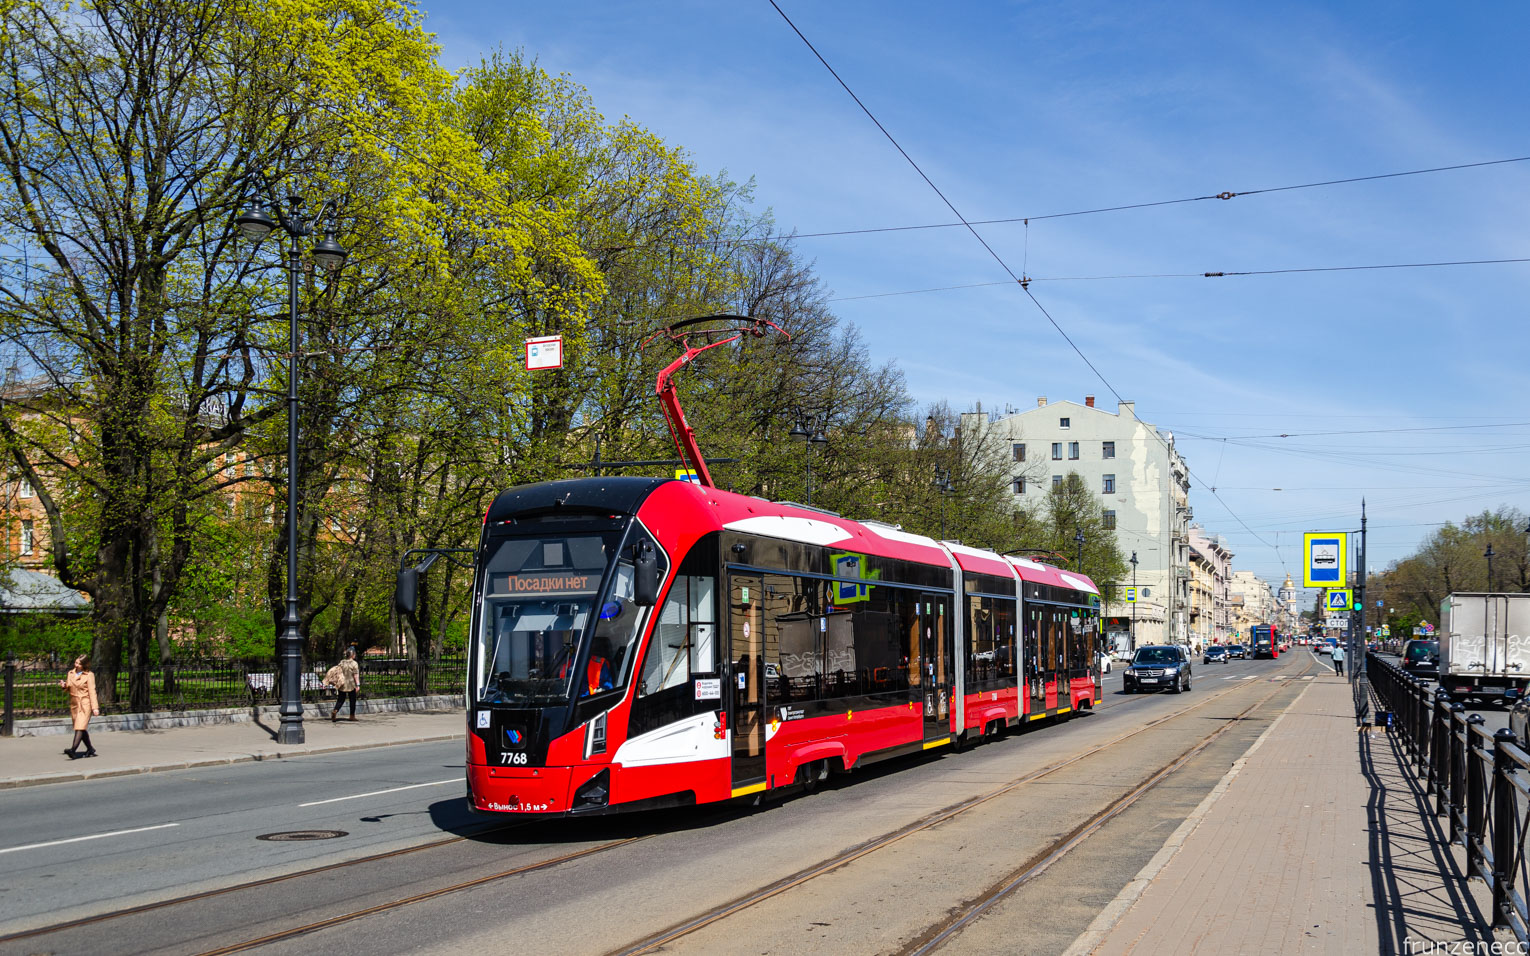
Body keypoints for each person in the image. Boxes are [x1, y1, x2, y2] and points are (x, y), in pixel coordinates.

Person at [59, 655, 99, 758]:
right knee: (80, 727)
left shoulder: (89, 675)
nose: (76, 665)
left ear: (84, 665)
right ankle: (90, 749)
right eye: (76, 662)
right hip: (74, 704)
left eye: (79, 664)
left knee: (80, 727)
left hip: (85, 703)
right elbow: (69, 687)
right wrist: (64, 686)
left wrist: (95, 707)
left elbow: (92, 691)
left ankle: (73, 750)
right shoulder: (71, 673)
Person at [327, 648, 361, 721]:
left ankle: (335, 710)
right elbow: (355, 675)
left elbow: (338, 671)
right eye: (354, 654)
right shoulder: (354, 663)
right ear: (352, 655)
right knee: (352, 700)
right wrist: (358, 685)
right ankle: (352, 716)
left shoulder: (342, 662)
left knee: (340, 699)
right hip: (351, 684)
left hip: (342, 683)